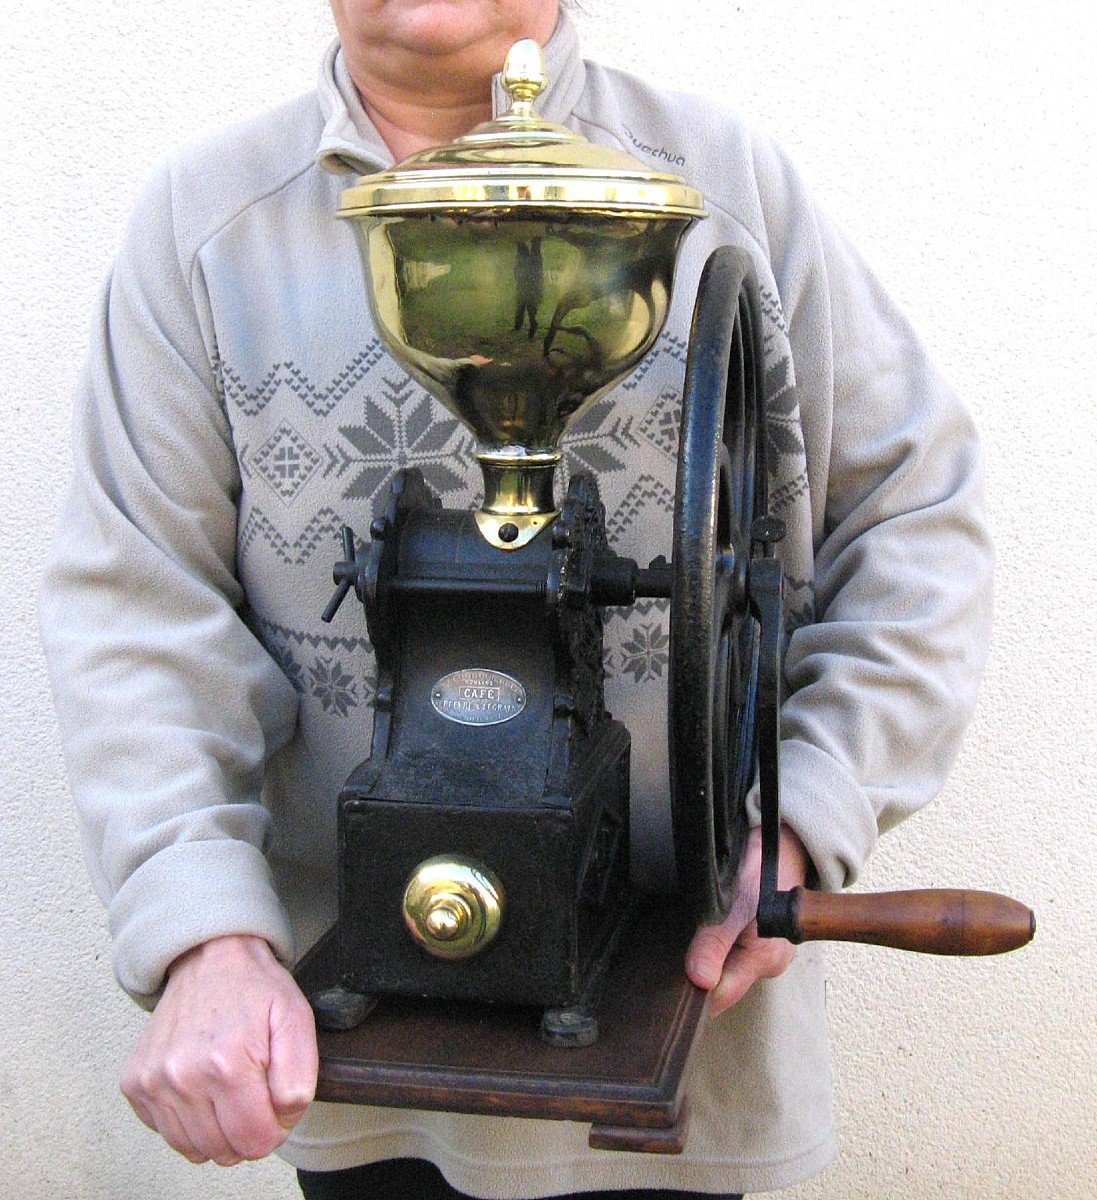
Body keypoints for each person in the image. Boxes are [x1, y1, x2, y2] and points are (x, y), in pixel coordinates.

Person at [38, 1, 992, 1197]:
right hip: (357, 1069)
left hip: (683, 1064)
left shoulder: (719, 182)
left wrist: (808, 816)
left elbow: (917, 516)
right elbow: (136, 606)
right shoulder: (206, 221)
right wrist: (202, 928)